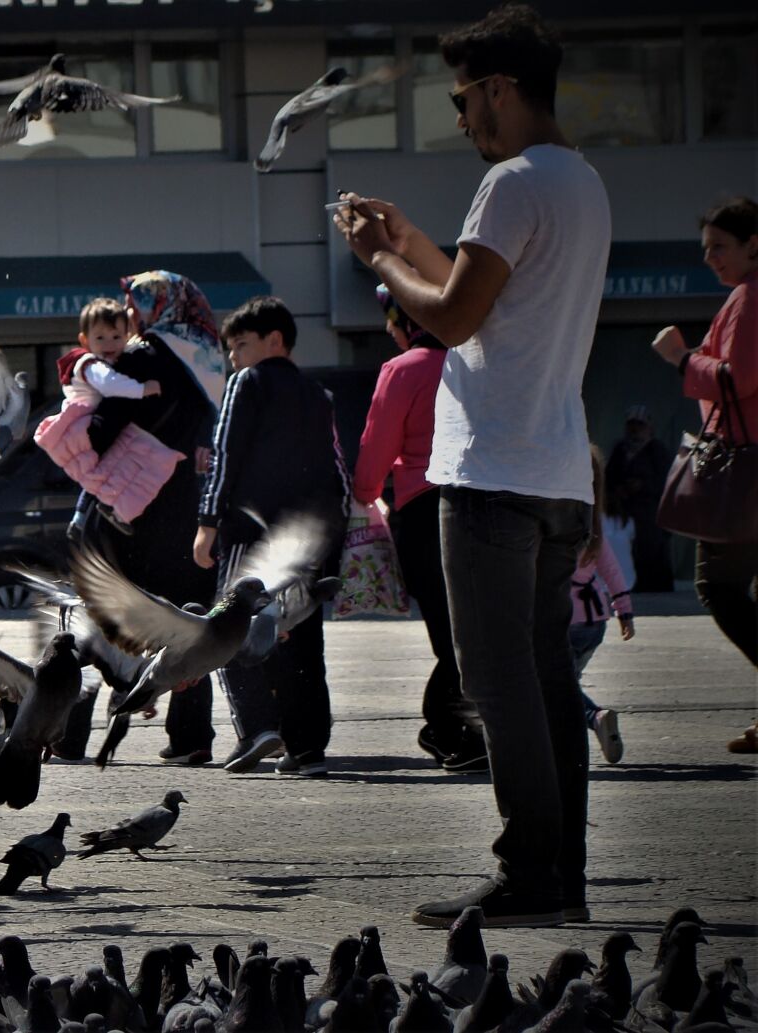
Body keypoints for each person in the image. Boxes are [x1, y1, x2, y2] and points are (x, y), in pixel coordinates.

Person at [335, 3, 610, 927]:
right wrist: (410, 239)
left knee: (496, 683)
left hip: (492, 471)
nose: (460, 120)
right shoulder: (579, 181)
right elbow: (482, 293)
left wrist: (379, 259)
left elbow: (450, 318)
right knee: (543, 681)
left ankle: (528, 874)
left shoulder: (512, 183)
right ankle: (560, 877)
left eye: (461, 99)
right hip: (555, 471)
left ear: (498, 89)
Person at [193, 296, 349, 776]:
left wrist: (207, 523)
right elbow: (336, 473)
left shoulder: (246, 383)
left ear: (274, 341)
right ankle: (308, 747)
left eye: (240, 344)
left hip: (251, 539)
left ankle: (258, 728)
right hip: (305, 543)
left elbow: (225, 455)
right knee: (302, 641)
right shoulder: (318, 395)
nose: (233, 357)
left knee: (231, 632)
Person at [352, 285, 483, 772]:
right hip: (485, 501)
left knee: (447, 632)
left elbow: (375, 452)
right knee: (476, 626)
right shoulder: (475, 361)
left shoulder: (403, 370)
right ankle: (456, 728)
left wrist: (365, 495)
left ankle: (452, 729)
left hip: (425, 511)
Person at [103, 270, 230, 765]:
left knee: (104, 612)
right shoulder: (210, 354)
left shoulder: (144, 353)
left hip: (144, 502)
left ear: (157, 306)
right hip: (199, 506)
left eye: (136, 304)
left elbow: (109, 423)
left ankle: (70, 735)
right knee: (190, 621)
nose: (131, 314)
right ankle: (191, 735)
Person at [647, 196, 758, 751]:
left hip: (745, 467)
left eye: (720, 247)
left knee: (720, 587)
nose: (711, 258)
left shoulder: (748, 297)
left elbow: (739, 379)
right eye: (706, 249)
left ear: (753, 244)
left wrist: (682, 357)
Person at [32, 297, 168, 537]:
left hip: (82, 423)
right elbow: (110, 385)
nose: (109, 344)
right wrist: (143, 389)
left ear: (126, 336)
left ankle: (85, 515)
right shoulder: (91, 364)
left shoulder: (104, 360)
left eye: (116, 337)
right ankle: (102, 511)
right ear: (85, 341)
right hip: (83, 424)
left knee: (101, 471)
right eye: (100, 338)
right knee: (110, 468)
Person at [569, 447, 633, 766]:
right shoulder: (594, 527)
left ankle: (595, 717)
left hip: (564, 620)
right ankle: (583, 723)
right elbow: (613, 571)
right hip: (595, 623)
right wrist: (625, 610)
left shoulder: (558, 525)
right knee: (566, 681)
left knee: (553, 685)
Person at [604, 407, 673, 591]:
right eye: (631, 425)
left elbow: (665, 480)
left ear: (649, 427)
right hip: (623, 511)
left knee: (650, 548)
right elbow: (609, 476)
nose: (635, 429)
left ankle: (653, 586)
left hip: (650, 511)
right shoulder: (620, 449)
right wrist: (618, 490)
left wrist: (642, 485)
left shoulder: (656, 450)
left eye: (640, 425)